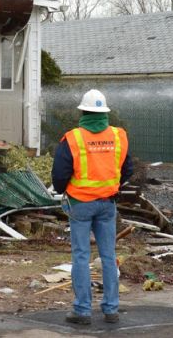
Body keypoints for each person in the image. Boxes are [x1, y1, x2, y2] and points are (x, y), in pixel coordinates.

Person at [51, 89, 133, 326]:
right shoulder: (119, 136)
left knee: (81, 256)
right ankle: (111, 309)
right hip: (108, 204)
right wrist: (111, 186)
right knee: (108, 256)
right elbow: (126, 169)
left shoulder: (73, 138)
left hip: (80, 204)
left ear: (83, 112)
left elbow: (59, 175)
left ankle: (82, 311)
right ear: (104, 112)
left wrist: (62, 189)